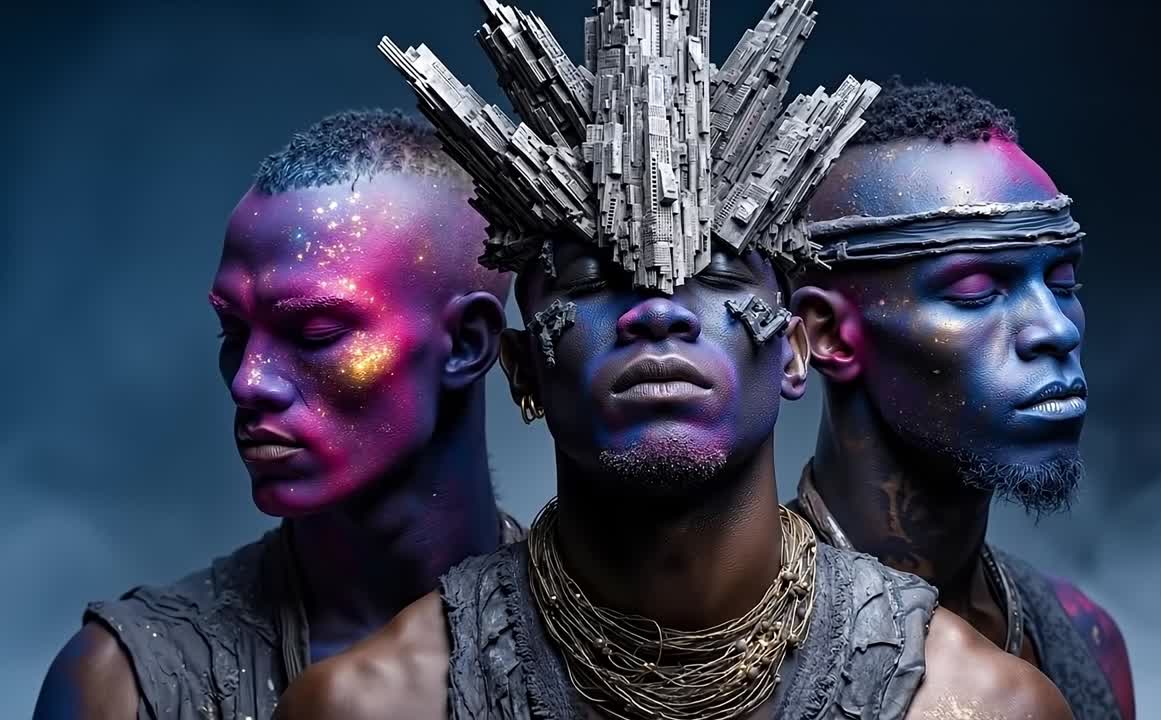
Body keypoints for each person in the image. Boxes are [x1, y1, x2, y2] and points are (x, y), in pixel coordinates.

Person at [276, 3, 1072, 718]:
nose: (657, 308)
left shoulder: (979, 705)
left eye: (717, 273)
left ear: (795, 349)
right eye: (594, 279)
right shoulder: (372, 705)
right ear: (521, 367)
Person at [34, 109, 521, 720]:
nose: (247, 381)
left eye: (316, 332)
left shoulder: (602, 647)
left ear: (468, 343)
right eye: (233, 332)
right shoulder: (120, 685)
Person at [789, 79, 1135, 719]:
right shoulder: (730, 654)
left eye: (1063, 282)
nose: (1056, 329)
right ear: (828, 334)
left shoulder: (1083, 641)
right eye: (976, 290)